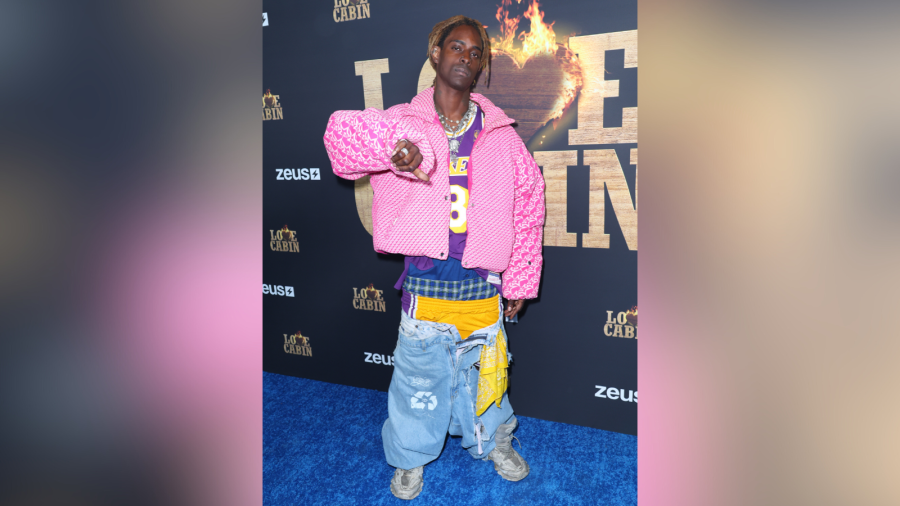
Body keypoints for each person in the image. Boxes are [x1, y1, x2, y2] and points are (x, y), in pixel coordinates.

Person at [323, 15, 545, 500]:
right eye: (456, 47)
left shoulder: (501, 135)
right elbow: (339, 137)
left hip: (482, 286)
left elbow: (529, 203)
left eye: (475, 52)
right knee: (416, 386)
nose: (466, 57)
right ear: (435, 53)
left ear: (481, 66)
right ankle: (409, 458)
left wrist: (521, 278)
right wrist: (393, 146)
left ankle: (496, 443)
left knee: (487, 381)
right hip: (425, 287)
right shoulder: (403, 120)